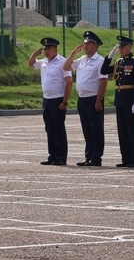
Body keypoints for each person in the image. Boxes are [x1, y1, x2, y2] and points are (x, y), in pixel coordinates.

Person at [62, 31, 111, 167]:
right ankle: (88, 156)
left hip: (94, 98)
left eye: (88, 44)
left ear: (95, 45)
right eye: (84, 44)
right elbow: (66, 66)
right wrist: (74, 53)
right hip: (82, 99)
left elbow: (103, 82)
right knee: (86, 130)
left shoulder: (100, 61)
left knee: (96, 129)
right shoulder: (82, 60)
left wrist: (98, 101)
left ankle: (96, 157)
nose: (85, 46)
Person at [28, 37, 73, 166]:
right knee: (50, 129)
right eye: (45, 49)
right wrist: (35, 53)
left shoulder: (63, 62)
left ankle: (61, 157)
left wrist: (65, 101)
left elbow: (69, 82)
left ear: (55, 49)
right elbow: (30, 63)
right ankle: (52, 155)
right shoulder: (44, 62)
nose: (46, 51)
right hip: (47, 100)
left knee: (59, 129)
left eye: (48, 48)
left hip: (58, 99)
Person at [112, 35, 134, 167]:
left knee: (132, 131)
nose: (120, 49)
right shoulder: (119, 62)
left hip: (130, 100)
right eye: (119, 47)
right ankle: (125, 158)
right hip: (120, 100)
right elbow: (103, 70)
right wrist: (110, 56)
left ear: (129, 47)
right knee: (122, 131)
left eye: (122, 46)